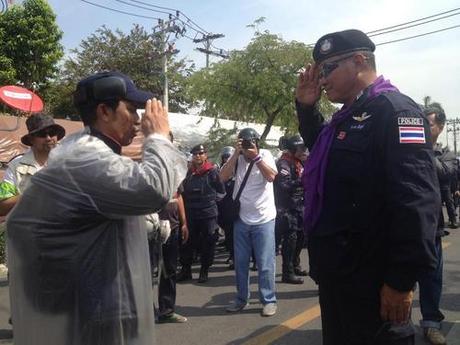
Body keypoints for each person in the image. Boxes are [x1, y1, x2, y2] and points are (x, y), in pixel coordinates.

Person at [7, 71, 186, 345]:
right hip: (96, 307)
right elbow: (153, 190)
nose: (139, 119)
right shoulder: (86, 157)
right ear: (104, 111)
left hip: (99, 301)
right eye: (131, 109)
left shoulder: (86, 151)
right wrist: (158, 137)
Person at [295, 29, 439, 344]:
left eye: (327, 69)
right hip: (339, 276)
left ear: (359, 61)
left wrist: (400, 281)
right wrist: (306, 109)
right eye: (319, 72)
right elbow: (325, 153)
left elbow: (416, 202)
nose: (321, 80)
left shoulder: (395, 111)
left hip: (373, 282)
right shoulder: (347, 117)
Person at [220, 128, 278, 317]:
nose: (246, 146)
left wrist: (256, 158)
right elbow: (222, 177)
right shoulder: (237, 159)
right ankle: (241, 299)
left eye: (248, 142)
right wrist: (236, 153)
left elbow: (271, 177)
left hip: (264, 219)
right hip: (241, 220)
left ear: (256, 142)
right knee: (241, 263)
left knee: (265, 263)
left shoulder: (265, 155)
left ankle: (268, 300)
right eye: (242, 143)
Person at [418, 108, 453, 345]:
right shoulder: (405, 148)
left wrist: (420, 150)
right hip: (404, 223)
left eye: (427, 124)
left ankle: (431, 323)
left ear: (440, 127)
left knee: (431, 277)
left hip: (431, 225)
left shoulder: (447, 154)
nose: (421, 127)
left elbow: (445, 173)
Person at [0, 113, 65, 216]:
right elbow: (2, 206)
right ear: (31, 139)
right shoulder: (16, 166)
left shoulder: (70, 164)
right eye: (42, 134)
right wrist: (32, 194)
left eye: (52, 133)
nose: (48, 138)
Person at [178, 144, 225, 283]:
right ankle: (186, 270)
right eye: (195, 154)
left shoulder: (212, 172)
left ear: (205, 155)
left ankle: (204, 271)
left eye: (201, 153)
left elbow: (222, 192)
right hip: (191, 213)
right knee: (186, 242)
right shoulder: (188, 172)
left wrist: (211, 202)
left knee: (208, 242)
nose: (198, 156)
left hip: (208, 214)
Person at [274, 134, 308, 284]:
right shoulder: (284, 163)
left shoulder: (299, 162)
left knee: (300, 237)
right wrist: (302, 181)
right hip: (287, 207)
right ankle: (287, 272)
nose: (303, 151)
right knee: (290, 240)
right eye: (300, 148)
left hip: (299, 206)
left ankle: (295, 265)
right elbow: (284, 185)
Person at [217, 146, 237, 269]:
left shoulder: (240, 172)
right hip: (225, 209)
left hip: (238, 209)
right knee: (229, 235)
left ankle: (238, 257)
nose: (226, 160)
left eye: (228, 157)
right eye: (224, 158)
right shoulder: (221, 173)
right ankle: (232, 255)